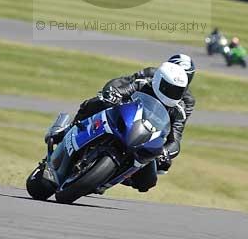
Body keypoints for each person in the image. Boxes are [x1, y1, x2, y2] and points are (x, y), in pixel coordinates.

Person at [73, 54, 196, 192]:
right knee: (96, 103)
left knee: (150, 180)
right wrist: (112, 94)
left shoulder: (181, 107)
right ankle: (72, 126)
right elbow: (123, 83)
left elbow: (176, 137)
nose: (174, 91)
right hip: (126, 114)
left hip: (149, 132)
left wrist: (165, 152)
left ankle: (116, 175)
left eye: (178, 89)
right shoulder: (146, 81)